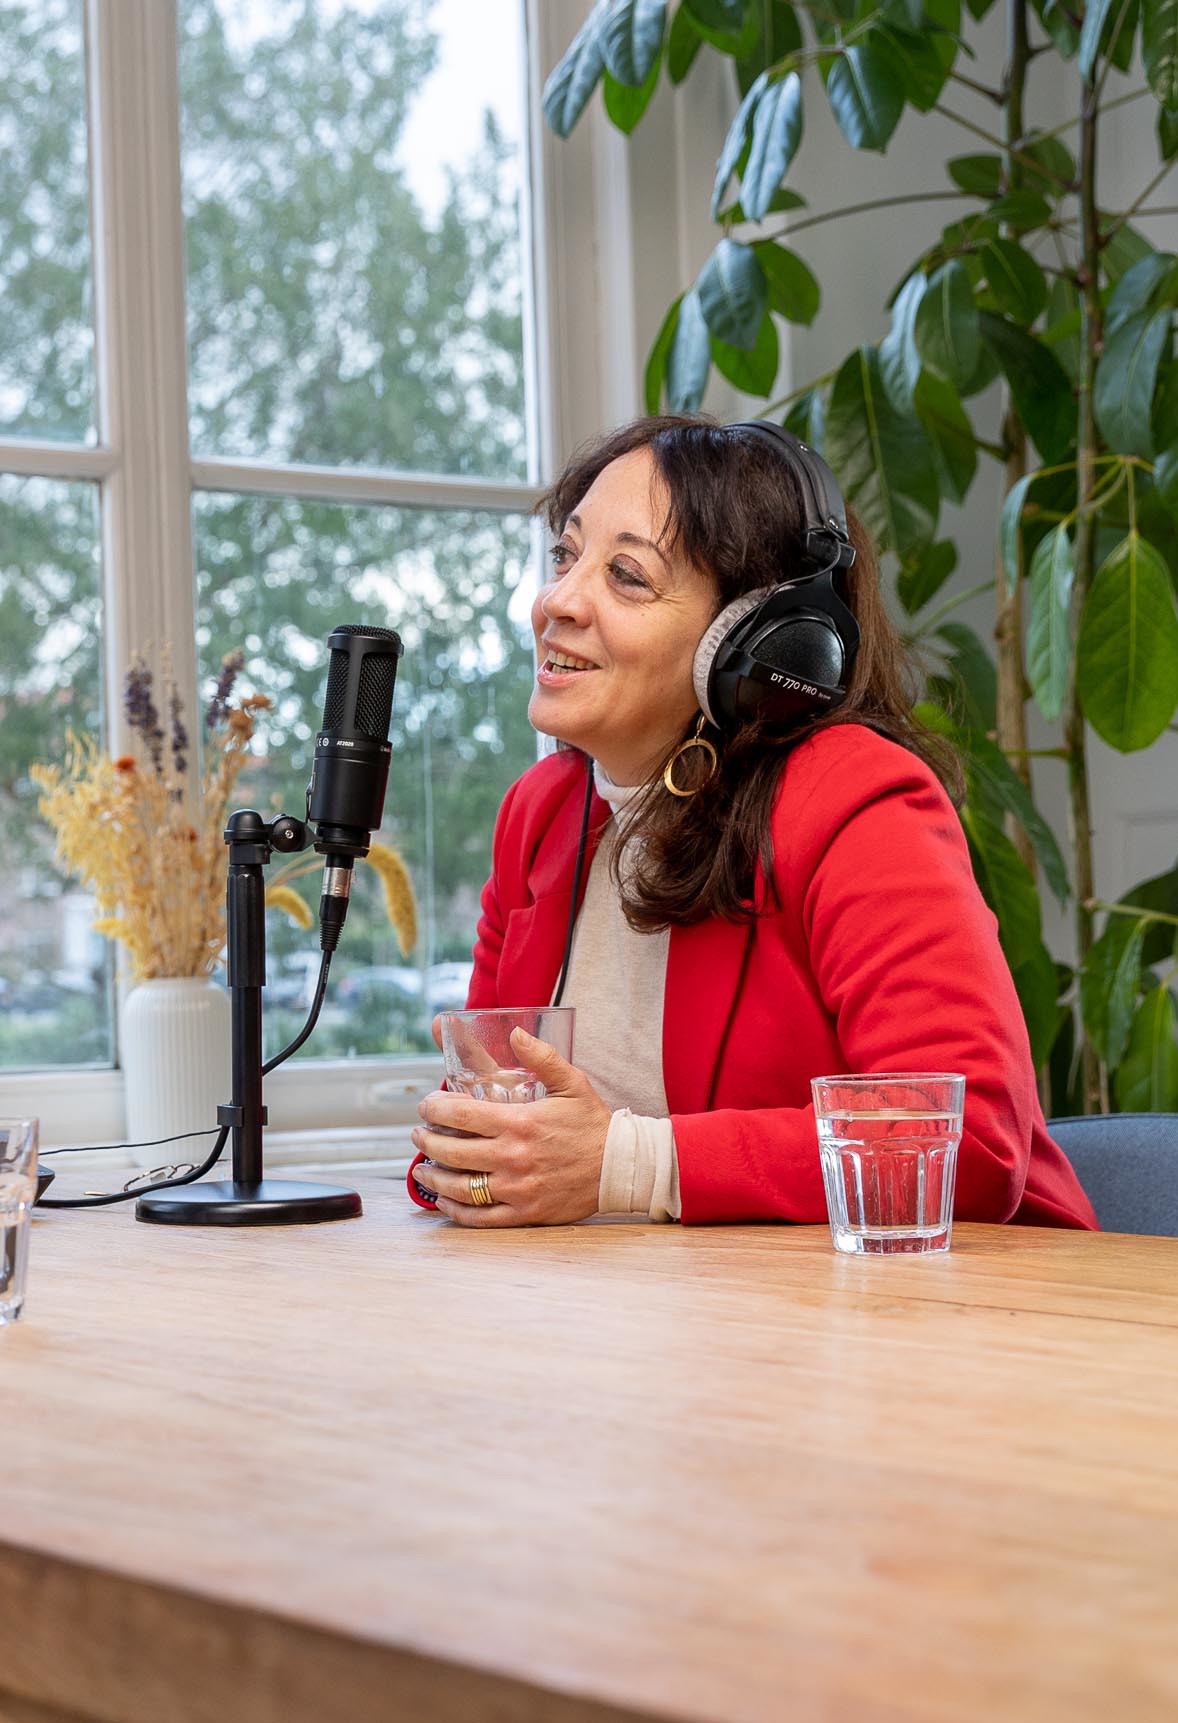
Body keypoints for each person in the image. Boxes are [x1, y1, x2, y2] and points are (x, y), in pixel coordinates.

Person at [408, 414, 1095, 1233]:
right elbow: (484, 1126)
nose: (556, 601)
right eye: (565, 555)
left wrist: (625, 1164)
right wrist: (476, 1158)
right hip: (655, 1303)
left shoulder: (853, 800)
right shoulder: (541, 814)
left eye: (626, 575)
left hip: (939, 1298)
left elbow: (964, 1138)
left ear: (755, 641)